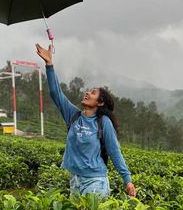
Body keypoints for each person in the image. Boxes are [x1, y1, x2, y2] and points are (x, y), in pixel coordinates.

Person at [36, 43, 137, 198]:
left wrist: (127, 180)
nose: (87, 93)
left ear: (100, 102)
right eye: (88, 91)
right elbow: (56, 94)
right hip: (75, 180)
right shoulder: (74, 116)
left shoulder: (104, 122)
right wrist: (49, 64)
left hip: (95, 181)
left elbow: (114, 151)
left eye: (93, 92)